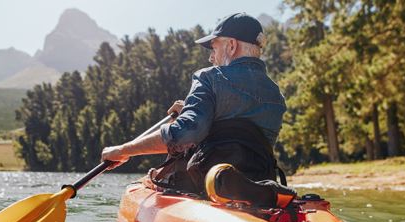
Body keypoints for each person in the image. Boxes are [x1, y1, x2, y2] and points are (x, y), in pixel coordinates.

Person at [100, 12, 288, 198]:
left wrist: (123, 150)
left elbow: (185, 134)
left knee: (157, 174)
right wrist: (192, 110)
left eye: (214, 49)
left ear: (231, 46)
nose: (211, 58)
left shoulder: (210, 77)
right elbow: (243, 137)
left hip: (204, 185)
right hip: (258, 188)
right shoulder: (276, 95)